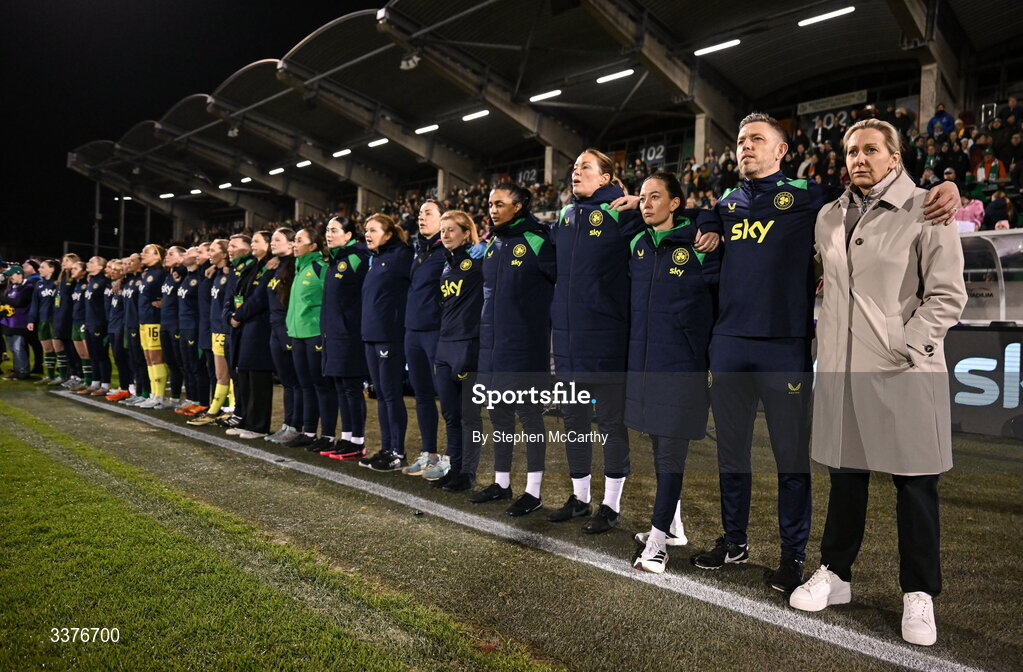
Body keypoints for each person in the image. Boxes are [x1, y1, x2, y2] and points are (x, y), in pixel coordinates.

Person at [692, 112, 959, 593]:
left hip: (789, 346)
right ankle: (736, 540)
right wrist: (706, 217)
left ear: (782, 150)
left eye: (757, 139)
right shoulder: (732, 203)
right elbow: (704, 220)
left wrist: (947, 186)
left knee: (795, 460)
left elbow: (938, 277)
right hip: (731, 344)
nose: (745, 147)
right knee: (736, 454)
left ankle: (795, 557)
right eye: (739, 141)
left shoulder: (812, 198)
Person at [790, 118, 967, 647]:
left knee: (915, 485)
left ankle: (919, 593)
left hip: (903, 370)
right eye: (851, 151)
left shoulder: (928, 208)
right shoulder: (828, 215)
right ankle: (837, 574)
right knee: (846, 479)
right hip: (843, 371)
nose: (859, 159)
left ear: (895, 156)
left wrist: (907, 347)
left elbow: (947, 295)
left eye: (871, 149)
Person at [548, 149, 646, 533]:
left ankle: (611, 504)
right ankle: (579, 498)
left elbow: (672, 218)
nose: (576, 172)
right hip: (568, 340)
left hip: (605, 337)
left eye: (584, 167)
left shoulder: (622, 212)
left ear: (606, 178)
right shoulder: (566, 214)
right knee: (573, 420)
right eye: (574, 167)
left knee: (609, 423)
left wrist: (640, 202)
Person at [627, 173, 719, 573]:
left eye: (655, 197)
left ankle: (659, 543)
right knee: (655, 444)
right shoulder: (637, 244)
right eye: (643, 198)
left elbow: (718, 303)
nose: (646, 204)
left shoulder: (700, 244)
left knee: (670, 454)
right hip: (645, 364)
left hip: (682, 366)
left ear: (676, 204)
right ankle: (674, 527)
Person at [467, 184, 556, 514]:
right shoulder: (494, 243)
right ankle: (502, 483)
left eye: (500, 204)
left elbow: (560, 285)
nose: (492, 209)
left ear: (519, 206)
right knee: (498, 415)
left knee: (530, 417)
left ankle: (533, 492)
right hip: (492, 346)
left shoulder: (539, 240)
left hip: (525, 346)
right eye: (490, 203)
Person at [429, 210, 483, 491]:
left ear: (466, 232)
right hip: (444, 345)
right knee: (449, 414)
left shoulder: (477, 261)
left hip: (468, 344)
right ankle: (455, 466)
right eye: (443, 230)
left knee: (468, 415)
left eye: (451, 230)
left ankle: (468, 473)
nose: (445, 234)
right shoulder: (446, 266)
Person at [358, 214, 413, 471]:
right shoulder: (377, 258)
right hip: (371, 335)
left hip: (390, 335)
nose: (367, 234)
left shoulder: (401, 255)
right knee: (380, 394)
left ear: (389, 234)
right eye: (366, 230)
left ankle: (398, 453)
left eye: (373, 230)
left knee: (391, 395)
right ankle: (386, 448)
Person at [401, 201, 448, 479]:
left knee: (448, 396)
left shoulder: (448, 251)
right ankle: (429, 453)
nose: (421, 217)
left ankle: (454, 456)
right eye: (419, 213)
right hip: (413, 331)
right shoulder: (420, 250)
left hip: (436, 331)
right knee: (421, 394)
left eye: (428, 212)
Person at [321, 217, 370, 460]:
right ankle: (347, 437)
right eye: (327, 230)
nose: (329, 234)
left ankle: (358, 442)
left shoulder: (356, 258)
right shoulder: (336, 260)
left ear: (349, 235)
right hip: (334, 334)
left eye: (334, 230)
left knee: (351, 388)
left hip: (350, 335)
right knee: (341, 386)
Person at [285, 226, 335, 452]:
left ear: (313, 246)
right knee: (306, 386)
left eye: (299, 240)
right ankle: (308, 432)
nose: (294, 244)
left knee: (322, 386)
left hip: (314, 334)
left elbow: (332, 299)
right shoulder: (298, 268)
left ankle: (328, 435)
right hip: (297, 335)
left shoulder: (319, 267)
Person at [227, 231, 275, 439]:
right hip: (246, 325)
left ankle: (258, 425)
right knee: (245, 373)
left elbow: (260, 297)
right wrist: (235, 314)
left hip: (259, 326)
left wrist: (239, 314)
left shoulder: (270, 266)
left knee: (258, 378)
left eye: (257, 241)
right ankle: (246, 420)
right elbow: (239, 294)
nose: (253, 245)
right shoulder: (254, 266)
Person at [188, 240, 234, 424]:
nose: (208, 255)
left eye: (212, 251)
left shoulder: (229, 275)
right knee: (219, 373)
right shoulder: (215, 274)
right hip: (214, 329)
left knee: (226, 373)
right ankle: (216, 410)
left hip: (224, 330)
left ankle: (229, 410)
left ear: (223, 254)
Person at [264, 228, 303, 444]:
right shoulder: (277, 267)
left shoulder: (294, 266)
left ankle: (297, 426)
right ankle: (288, 424)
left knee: (296, 382)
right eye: (271, 240)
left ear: (290, 244)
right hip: (275, 329)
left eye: (277, 240)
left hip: (288, 329)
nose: (272, 243)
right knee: (287, 382)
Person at [174, 246, 210, 416]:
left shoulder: (201, 277)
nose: (185, 255)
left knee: (197, 366)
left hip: (194, 327)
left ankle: (202, 402)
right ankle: (191, 398)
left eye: (189, 252)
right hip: (183, 326)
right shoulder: (186, 276)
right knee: (186, 365)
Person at [79, 256, 111, 396]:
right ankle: (95, 383)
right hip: (89, 323)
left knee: (101, 355)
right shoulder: (92, 281)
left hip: (100, 324)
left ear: (100, 267)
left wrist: (103, 323)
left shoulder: (104, 281)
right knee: (93, 354)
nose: (88, 263)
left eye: (91, 262)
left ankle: (105, 385)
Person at [159, 247, 186, 408]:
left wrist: (181, 268)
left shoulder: (183, 274)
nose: (167, 256)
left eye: (171, 254)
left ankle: (192, 399)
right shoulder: (168, 275)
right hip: (165, 323)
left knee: (181, 363)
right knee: (170, 362)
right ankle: (175, 398)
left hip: (177, 323)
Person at [102, 259, 132, 402]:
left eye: (116, 270)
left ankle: (129, 388)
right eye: (111, 269)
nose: (112, 272)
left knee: (125, 358)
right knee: (118, 359)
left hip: (121, 326)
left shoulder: (125, 285)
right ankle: (124, 387)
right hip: (113, 326)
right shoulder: (115, 285)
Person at [49, 253, 80, 387]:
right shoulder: (62, 278)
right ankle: (72, 374)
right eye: (63, 260)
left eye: (67, 261)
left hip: (69, 318)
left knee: (74, 348)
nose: (63, 262)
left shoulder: (74, 280)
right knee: (66, 347)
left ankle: (79, 375)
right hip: (60, 317)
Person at [1, 265, 36, 379]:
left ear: (19, 273)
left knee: (18, 347)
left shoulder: (29, 287)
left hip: (21, 323)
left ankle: (23, 372)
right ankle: (17, 370)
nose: (10, 277)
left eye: (12, 275)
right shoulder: (12, 287)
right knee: (13, 348)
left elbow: (19, 302)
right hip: (9, 323)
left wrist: (2, 298)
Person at [26, 259, 58, 383]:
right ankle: (49, 376)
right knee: (47, 349)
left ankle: (62, 374)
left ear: (52, 269)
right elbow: (35, 304)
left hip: (55, 321)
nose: (39, 269)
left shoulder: (57, 283)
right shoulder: (39, 284)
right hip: (42, 320)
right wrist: (31, 320)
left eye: (42, 267)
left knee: (59, 349)